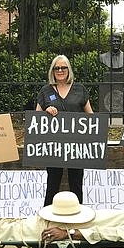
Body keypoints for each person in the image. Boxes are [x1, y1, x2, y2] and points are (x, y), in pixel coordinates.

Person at [35, 55, 93, 206]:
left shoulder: (80, 89)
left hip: (76, 146)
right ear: (52, 71)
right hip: (53, 146)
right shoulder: (45, 91)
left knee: (76, 184)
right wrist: (47, 110)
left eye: (63, 67)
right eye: (57, 68)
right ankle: (48, 220)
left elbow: (91, 116)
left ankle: (77, 218)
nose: (60, 70)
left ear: (69, 70)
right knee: (52, 184)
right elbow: (36, 118)